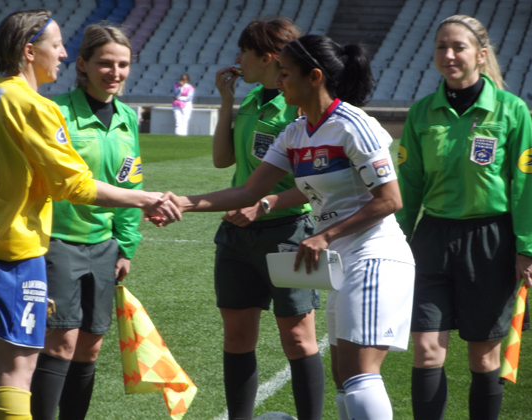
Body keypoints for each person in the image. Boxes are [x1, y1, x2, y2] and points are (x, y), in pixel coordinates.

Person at [159, 33, 415, 420]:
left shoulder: (353, 125)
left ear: (314, 77)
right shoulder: (296, 133)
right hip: (340, 260)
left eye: (285, 73)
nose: (278, 81)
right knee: (344, 376)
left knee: (361, 374)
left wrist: (325, 234)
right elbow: (249, 189)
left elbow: (390, 200)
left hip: (376, 254)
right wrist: (181, 203)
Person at [0, 10, 179, 420]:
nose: (64, 54)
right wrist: (145, 199)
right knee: (16, 372)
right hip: (10, 249)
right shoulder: (35, 106)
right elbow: (77, 186)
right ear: (30, 51)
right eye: (56, 46)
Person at [395, 15, 532, 420]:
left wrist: (526, 247)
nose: (449, 55)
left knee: (485, 358)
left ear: (481, 54)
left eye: (459, 47)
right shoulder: (421, 113)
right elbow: (410, 186)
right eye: (442, 47)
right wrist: (397, 242)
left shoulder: (512, 111)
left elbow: (525, 186)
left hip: (491, 240)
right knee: (426, 350)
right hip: (431, 239)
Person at [208, 17, 325, 420]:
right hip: (237, 236)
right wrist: (226, 102)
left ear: (269, 58)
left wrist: (266, 203)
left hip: (290, 233)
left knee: (298, 338)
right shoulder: (254, 100)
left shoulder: (299, 106)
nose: (237, 58)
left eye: (244, 51)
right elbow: (223, 161)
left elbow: (321, 183)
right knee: (237, 335)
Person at [29, 22, 143, 420]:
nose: (115, 73)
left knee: (91, 346)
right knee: (59, 343)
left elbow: (130, 185)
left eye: (123, 64)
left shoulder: (128, 117)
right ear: (82, 64)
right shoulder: (55, 111)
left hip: (104, 246)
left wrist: (125, 246)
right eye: (105, 63)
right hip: (57, 242)